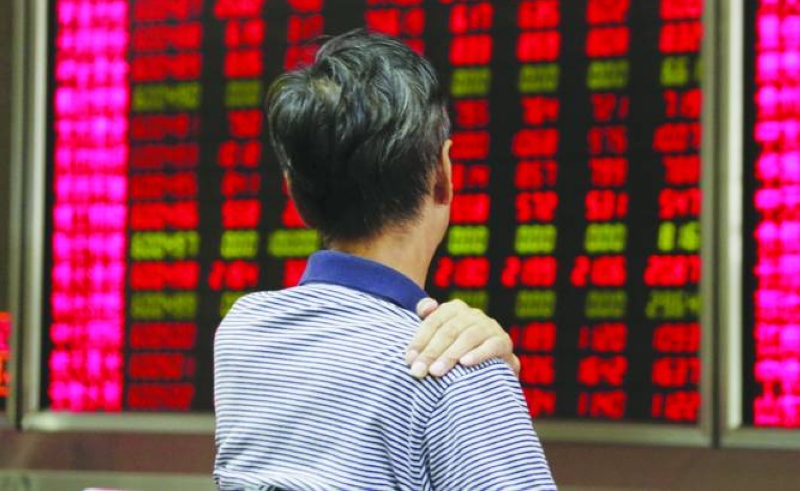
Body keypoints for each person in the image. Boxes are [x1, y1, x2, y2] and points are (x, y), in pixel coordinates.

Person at [213, 30, 556, 490]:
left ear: (294, 192)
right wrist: (484, 387)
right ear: (442, 174)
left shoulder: (242, 333)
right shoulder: (453, 368)